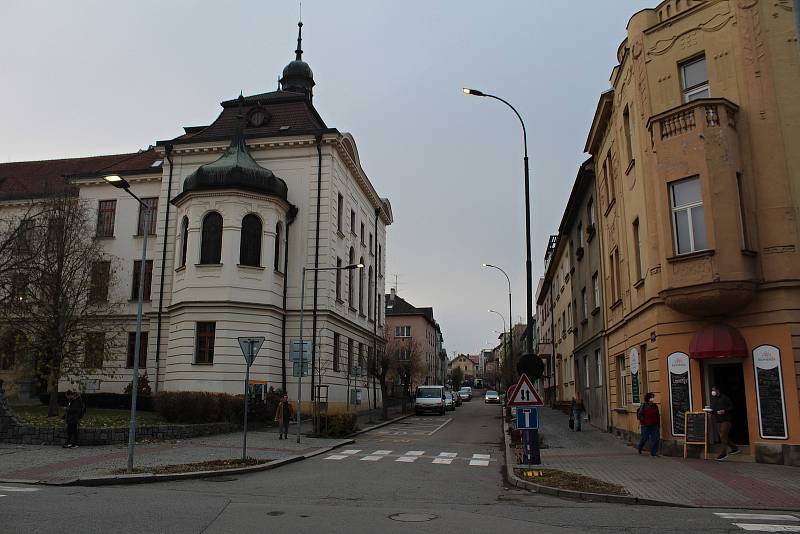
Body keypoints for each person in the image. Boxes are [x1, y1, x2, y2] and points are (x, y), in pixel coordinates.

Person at [711, 386, 740, 460]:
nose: (713, 392)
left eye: (714, 390)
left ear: (718, 390)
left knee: (723, 435)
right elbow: (713, 409)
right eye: (712, 390)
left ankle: (723, 453)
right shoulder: (714, 399)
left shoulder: (724, 397)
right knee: (722, 436)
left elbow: (731, 406)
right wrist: (710, 411)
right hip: (718, 420)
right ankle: (734, 448)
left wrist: (724, 410)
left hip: (726, 419)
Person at [636, 392, 660, 456]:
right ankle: (640, 447)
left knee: (656, 438)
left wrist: (658, 424)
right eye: (651, 397)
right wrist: (643, 421)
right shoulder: (643, 406)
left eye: (653, 397)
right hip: (645, 425)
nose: (652, 399)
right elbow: (639, 415)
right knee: (644, 438)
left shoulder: (655, 406)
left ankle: (653, 453)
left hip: (654, 425)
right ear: (648, 398)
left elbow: (657, 415)